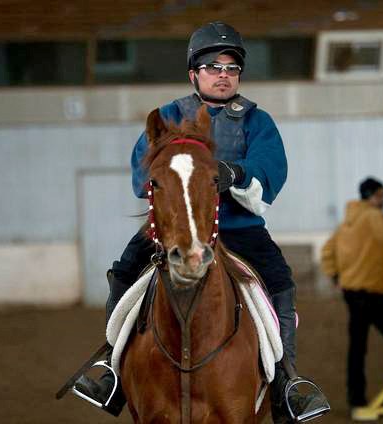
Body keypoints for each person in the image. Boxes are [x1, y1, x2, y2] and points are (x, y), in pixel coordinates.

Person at [74, 21, 328, 423]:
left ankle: (286, 381)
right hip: (175, 226)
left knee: (279, 280)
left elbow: (270, 168)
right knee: (124, 271)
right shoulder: (170, 115)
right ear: (195, 73)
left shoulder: (257, 122)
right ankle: (111, 369)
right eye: (214, 67)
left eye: (230, 68)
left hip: (238, 228)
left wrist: (236, 174)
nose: (223, 76)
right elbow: (144, 175)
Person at [320, 177, 383, 408]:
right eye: (382, 196)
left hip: (351, 292)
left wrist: (335, 277)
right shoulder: (372, 217)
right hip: (374, 293)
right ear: (373, 196)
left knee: (357, 348)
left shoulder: (346, 223)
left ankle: (356, 399)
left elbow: (327, 251)